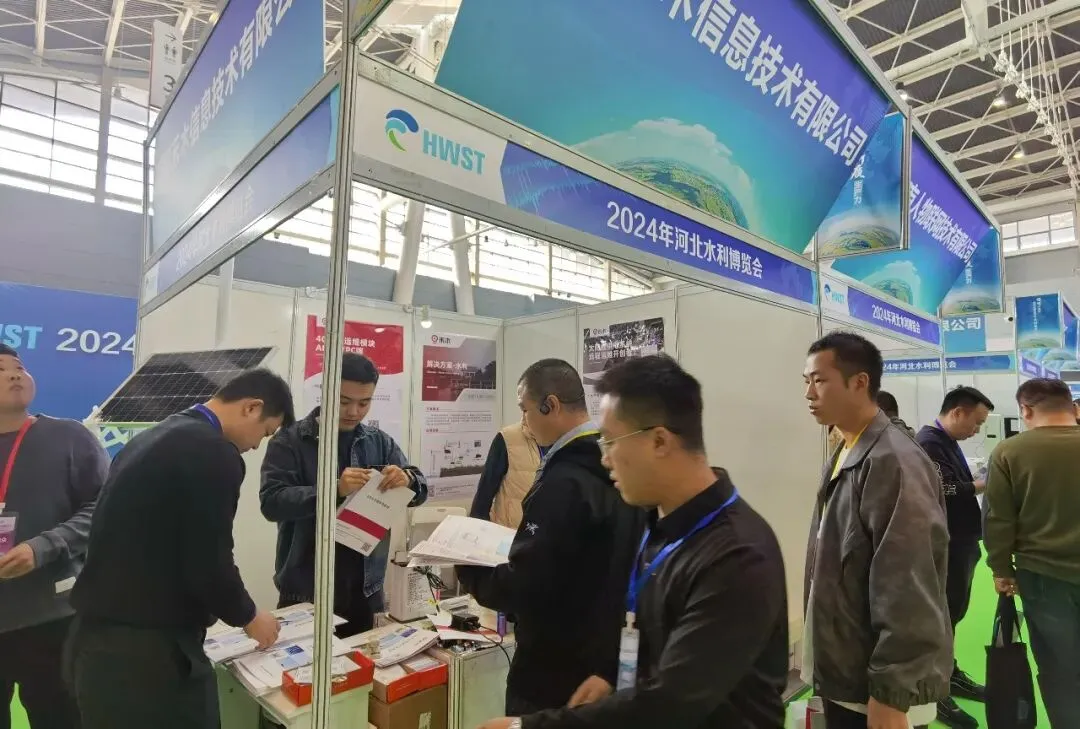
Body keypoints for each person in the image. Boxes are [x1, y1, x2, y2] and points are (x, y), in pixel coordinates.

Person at [479, 355, 788, 729]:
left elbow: (671, 702)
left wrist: (526, 727)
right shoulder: (661, 524)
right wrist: (610, 672)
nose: (605, 459)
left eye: (611, 442)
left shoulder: (737, 557)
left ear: (659, 440)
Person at [67, 368, 296, 729]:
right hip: (148, 658)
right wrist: (250, 616)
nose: (256, 446)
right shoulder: (213, 452)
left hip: (97, 642)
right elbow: (208, 557)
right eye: (265, 433)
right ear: (252, 407)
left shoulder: (156, 435)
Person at [458, 359, 644, 716]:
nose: (524, 421)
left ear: (551, 405)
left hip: (552, 668)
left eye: (525, 409)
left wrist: (468, 568)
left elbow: (527, 584)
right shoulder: (616, 467)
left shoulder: (565, 481)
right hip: (602, 660)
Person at [803, 332, 952, 729]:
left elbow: (909, 581)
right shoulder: (847, 449)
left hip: (878, 690)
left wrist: (891, 691)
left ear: (859, 382)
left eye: (820, 380)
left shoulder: (894, 461)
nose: (809, 393)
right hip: (849, 671)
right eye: (807, 381)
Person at [260, 352, 427, 636]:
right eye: (344, 401)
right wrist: (333, 489)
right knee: (308, 662)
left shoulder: (378, 441)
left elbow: (420, 488)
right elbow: (272, 503)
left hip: (365, 590)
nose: (354, 412)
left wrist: (408, 479)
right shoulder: (290, 441)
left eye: (364, 403)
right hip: (306, 589)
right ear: (326, 390)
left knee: (364, 661)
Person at [0, 344, 108, 729]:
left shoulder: (69, 437)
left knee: (60, 718)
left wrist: (43, 547)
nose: (15, 374)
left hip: (51, 618)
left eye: (19, 367)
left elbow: (104, 507)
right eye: (1, 370)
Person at [985, 378, 1080, 729]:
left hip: (1042, 577)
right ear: (1073, 407)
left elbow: (998, 519)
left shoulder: (1009, 452)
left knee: (1058, 667)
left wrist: (1001, 568)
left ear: (1025, 410)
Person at [915, 386, 994, 729]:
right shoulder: (929, 442)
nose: (977, 430)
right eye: (976, 422)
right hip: (946, 545)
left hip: (960, 542)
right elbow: (943, 488)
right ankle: (935, 690)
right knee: (941, 618)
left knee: (953, 614)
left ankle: (949, 673)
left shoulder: (945, 442)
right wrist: (983, 484)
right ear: (958, 412)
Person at [469, 421, 545, 529]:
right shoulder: (508, 438)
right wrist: (476, 529)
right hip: (509, 531)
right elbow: (485, 493)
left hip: (549, 533)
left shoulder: (565, 439)